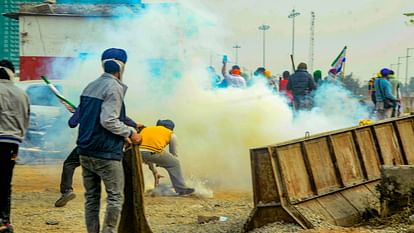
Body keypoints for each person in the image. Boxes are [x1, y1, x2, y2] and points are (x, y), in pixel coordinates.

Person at [76, 48, 142, 233]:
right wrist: (129, 132)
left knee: (92, 197)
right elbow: (108, 120)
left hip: (85, 151)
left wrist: (123, 133)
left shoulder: (90, 86)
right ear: (122, 67)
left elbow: (89, 119)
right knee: (115, 197)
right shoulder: (114, 87)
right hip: (105, 153)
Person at [54, 108, 142, 208]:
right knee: (110, 170)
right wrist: (134, 125)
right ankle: (117, 195)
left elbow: (72, 123)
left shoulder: (86, 104)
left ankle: (66, 191)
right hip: (109, 146)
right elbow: (119, 118)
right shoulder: (111, 104)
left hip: (89, 145)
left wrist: (79, 112)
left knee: (69, 164)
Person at [0, 60, 30, 233]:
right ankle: (5, 222)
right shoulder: (21, 94)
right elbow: (26, 119)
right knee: (5, 181)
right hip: (12, 144)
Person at [139, 119, 195, 196]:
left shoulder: (146, 129)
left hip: (136, 152)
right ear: (170, 128)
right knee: (175, 163)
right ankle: (181, 189)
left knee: (149, 155)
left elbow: (146, 154)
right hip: (152, 152)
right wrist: (166, 163)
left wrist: (155, 171)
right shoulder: (170, 133)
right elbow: (173, 153)